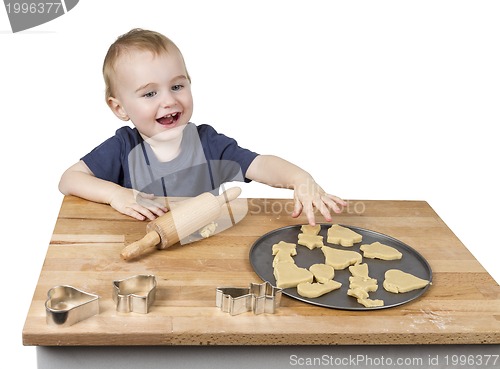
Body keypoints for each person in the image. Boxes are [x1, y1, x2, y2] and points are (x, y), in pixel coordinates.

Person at [59, 28, 346, 225]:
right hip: (139, 246)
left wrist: (299, 178)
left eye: (177, 85)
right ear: (119, 108)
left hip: (203, 249)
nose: (169, 100)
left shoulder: (207, 142)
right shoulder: (123, 146)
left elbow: (261, 164)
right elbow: (69, 180)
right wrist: (115, 195)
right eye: (150, 93)